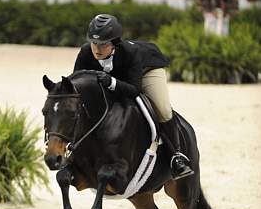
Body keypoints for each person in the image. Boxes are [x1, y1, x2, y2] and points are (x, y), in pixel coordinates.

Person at [73, 13, 193, 179]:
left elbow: (134, 90)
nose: (97, 49)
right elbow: (77, 85)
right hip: (122, 77)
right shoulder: (86, 52)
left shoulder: (130, 52)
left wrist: (111, 82)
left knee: (163, 109)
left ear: (114, 43)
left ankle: (177, 156)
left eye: (103, 44)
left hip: (147, 70)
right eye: (94, 43)